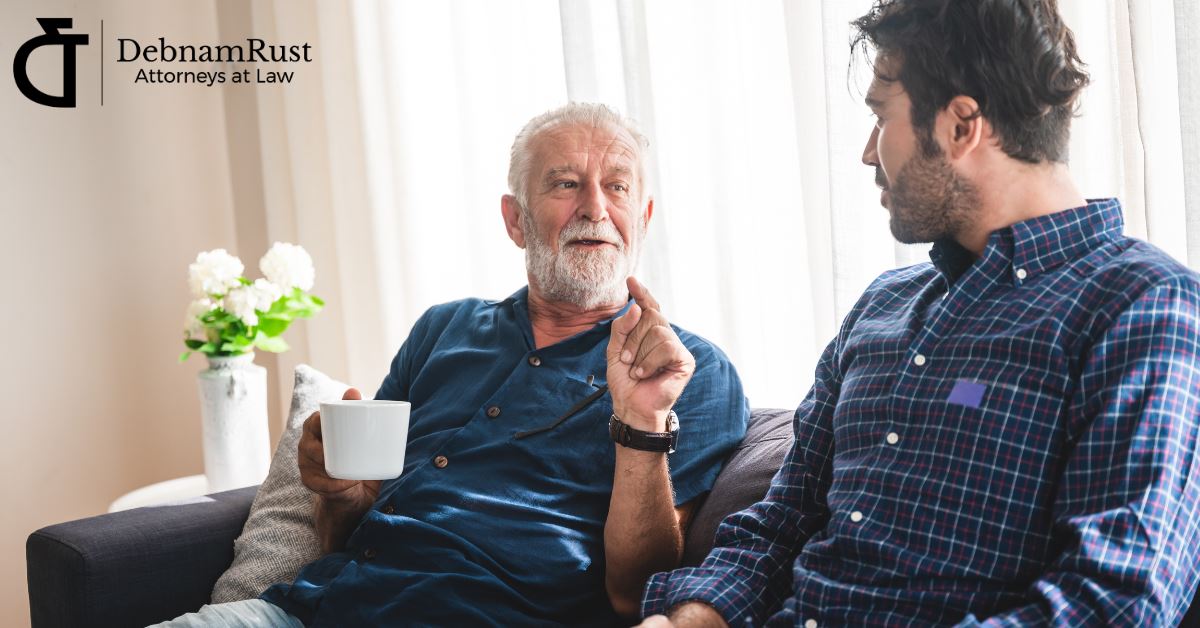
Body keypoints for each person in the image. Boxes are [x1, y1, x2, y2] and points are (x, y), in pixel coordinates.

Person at [640, 1, 1200, 626]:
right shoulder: (883, 306)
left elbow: (1115, 603)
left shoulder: (1143, 307)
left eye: (881, 116)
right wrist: (681, 620)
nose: (867, 153)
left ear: (962, 125)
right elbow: (779, 526)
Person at [154, 103, 749, 627]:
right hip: (307, 610)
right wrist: (335, 491)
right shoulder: (445, 328)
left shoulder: (686, 370)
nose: (594, 206)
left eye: (617, 187)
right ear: (515, 220)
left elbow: (632, 595)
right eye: (565, 184)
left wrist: (642, 423)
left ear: (642, 218)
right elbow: (347, 533)